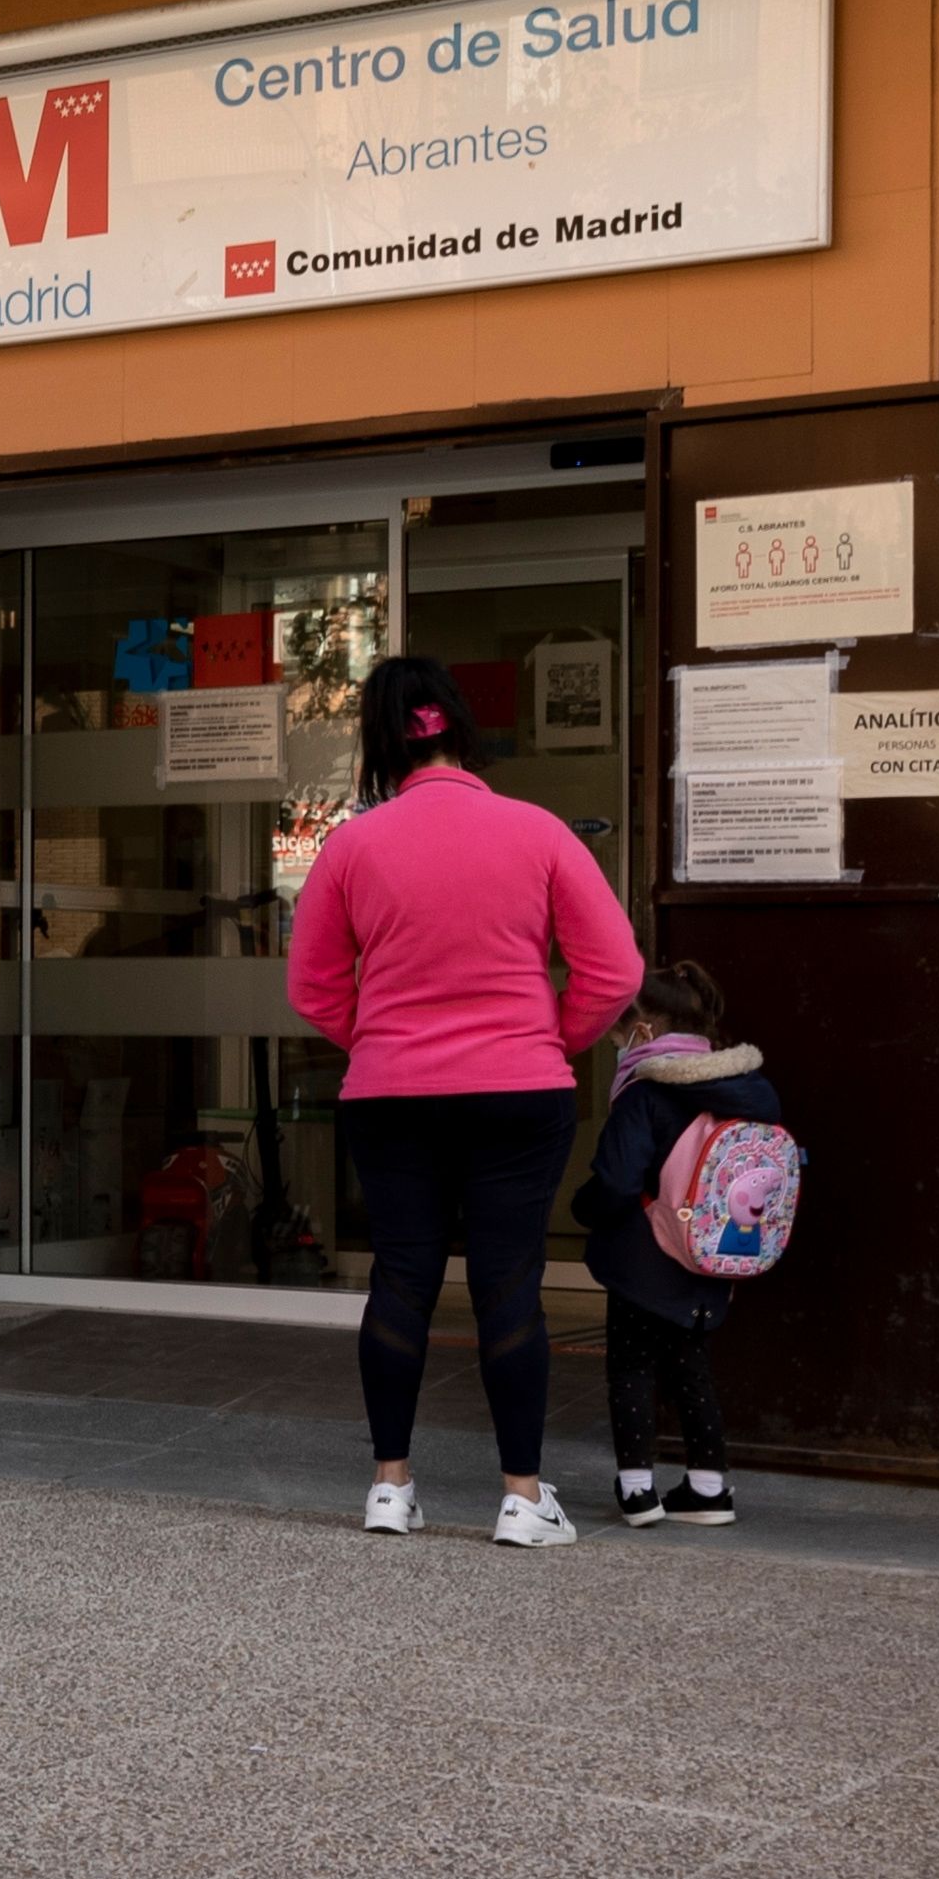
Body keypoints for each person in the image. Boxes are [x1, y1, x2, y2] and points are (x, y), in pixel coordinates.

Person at [284, 651, 639, 1550]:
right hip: (519, 1090)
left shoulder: (352, 846)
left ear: (378, 744)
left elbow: (313, 986)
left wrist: (378, 1039)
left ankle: (389, 1488)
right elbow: (614, 972)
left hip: (390, 1094)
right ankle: (521, 1496)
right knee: (508, 1285)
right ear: (461, 732)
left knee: (400, 1278)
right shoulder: (539, 831)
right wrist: (550, 1040)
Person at [580, 955, 781, 1527]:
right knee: (692, 1366)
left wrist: (582, 1210)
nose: (615, 1042)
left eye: (618, 1030)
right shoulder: (747, 1091)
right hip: (716, 1251)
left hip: (645, 1257)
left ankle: (638, 1491)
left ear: (643, 1031)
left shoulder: (647, 1093)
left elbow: (617, 1181)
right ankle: (709, 1488)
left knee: (631, 1367)